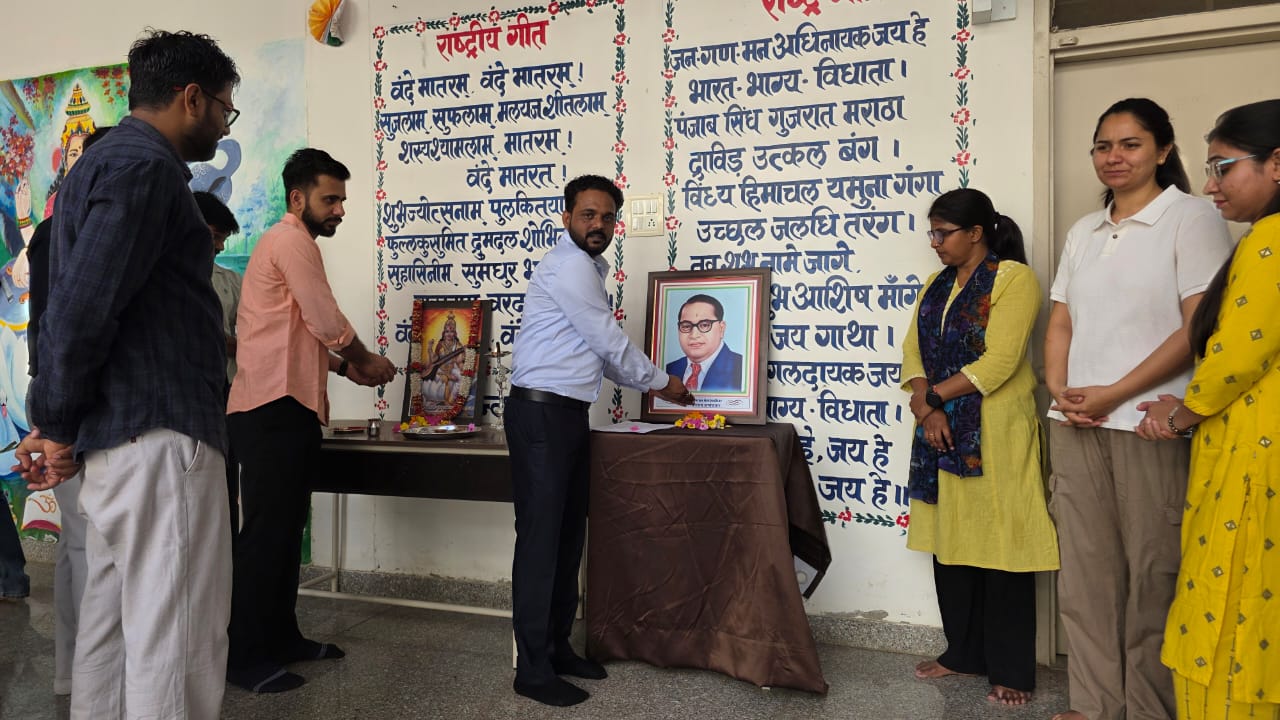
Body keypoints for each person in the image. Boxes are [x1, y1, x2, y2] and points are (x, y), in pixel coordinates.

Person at [17, 29, 240, 720]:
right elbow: (82, 308)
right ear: (191, 97)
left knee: (111, 635)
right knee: (175, 642)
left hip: (123, 441)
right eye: (224, 110)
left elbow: (75, 306)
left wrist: (57, 421)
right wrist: (55, 422)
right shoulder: (144, 169)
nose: (224, 126)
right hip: (160, 441)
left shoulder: (101, 166)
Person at [1045, 98, 1234, 720]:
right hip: (1076, 424)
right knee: (1086, 574)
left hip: (1149, 424)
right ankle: (1094, 704)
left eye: (1130, 144)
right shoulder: (1083, 230)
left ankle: (1150, 708)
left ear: (1162, 150)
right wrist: (1060, 390)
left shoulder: (1192, 217)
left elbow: (1195, 328)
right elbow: (1062, 321)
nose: (1114, 157)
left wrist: (1114, 393)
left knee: (1155, 573)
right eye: (1104, 146)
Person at [507, 174, 694, 707]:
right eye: (588, 215)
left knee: (568, 537)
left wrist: (651, 382)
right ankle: (532, 670)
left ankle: (557, 649)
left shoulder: (589, 269)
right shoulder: (570, 266)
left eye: (608, 217)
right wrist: (663, 383)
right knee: (542, 541)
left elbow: (598, 352)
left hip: (566, 414)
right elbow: (608, 342)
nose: (599, 225)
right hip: (541, 414)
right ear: (566, 217)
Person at [226, 148, 395, 694]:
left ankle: (283, 638)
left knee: (284, 534)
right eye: (330, 199)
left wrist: (347, 369)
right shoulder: (291, 241)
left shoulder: (289, 244)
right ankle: (243, 658)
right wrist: (365, 359)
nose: (340, 209)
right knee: (266, 538)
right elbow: (326, 321)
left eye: (342, 200)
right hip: (270, 410)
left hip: (286, 408)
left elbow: (298, 333)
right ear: (297, 198)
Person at [1134, 99, 1280, 720]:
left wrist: (1179, 415)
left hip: (1255, 459)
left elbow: (1238, 356)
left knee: (1229, 619)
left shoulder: (1271, 242)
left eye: (1224, 167)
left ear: (1277, 164)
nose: (1212, 185)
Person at [900, 188, 1059, 706]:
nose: (934, 242)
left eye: (943, 233)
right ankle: (963, 653)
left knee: (1003, 543)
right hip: (939, 431)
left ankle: (1011, 669)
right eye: (932, 232)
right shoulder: (935, 285)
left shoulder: (1014, 279)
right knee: (952, 539)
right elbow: (912, 352)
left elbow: (1002, 360)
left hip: (996, 432)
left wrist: (934, 400)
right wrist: (928, 409)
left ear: (975, 233)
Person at [19, 125, 111, 696]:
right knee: (88, 546)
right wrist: (56, 418)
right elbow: (64, 328)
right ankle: (86, 676)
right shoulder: (70, 230)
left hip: (59, 394)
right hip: (75, 399)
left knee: (81, 546)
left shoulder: (58, 229)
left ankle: (72, 674)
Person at [194, 190, 243, 535]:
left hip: (228, 391)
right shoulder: (166, 277)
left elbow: (253, 331)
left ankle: (230, 559)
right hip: (190, 397)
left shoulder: (228, 280)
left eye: (223, 239)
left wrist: (235, 345)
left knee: (226, 479)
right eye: (214, 237)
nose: (220, 247)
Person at [664, 294, 744, 392]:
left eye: (705, 325)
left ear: (721, 328)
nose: (694, 335)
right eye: (686, 326)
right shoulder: (669, 370)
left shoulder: (742, 369)